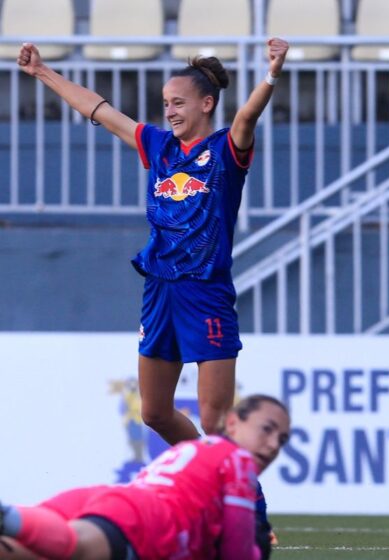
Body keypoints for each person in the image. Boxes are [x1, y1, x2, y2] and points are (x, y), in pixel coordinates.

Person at [16, 39, 288, 445]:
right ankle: (204, 474)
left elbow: (248, 116)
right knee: (155, 413)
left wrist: (272, 73)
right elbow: (100, 112)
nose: (170, 111)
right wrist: (42, 72)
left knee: (216, 423)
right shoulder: (159, 147)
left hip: (205, 291)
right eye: (166, 103)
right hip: (159, 290)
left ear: (206, 104)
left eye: (178, 102)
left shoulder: (224, 151)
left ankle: (245, 500)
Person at [0, 394, 291, 560]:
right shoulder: (238, 459)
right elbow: (236, 553)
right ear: (232, 423)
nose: (273, 444)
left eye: (282, 439)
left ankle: (10, 518)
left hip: (112, 501)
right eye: (266, 429)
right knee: (78, 547)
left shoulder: (196, 448)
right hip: (147, 521)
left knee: (23, 553)